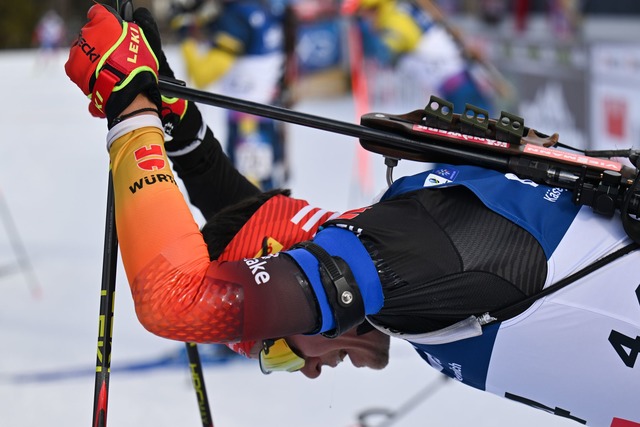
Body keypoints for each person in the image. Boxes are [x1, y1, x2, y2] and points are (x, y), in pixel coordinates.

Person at [64, 5, 640, 427]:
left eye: (280, 352)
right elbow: (249, 211)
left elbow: (175, 300)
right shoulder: (407, 241)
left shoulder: (407, 253)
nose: (308, 371)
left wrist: (130, 111)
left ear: (280, 272)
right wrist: (177, 127)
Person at [169, 0, 295, 190]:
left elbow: (202, 76)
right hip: (265, 114)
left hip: (249, 124)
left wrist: (184, 34)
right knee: (262, 192)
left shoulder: (236, 17)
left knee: (251, 195)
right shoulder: (260, 8)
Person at [343, 0, 496, 114]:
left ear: (374, 8)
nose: (365, 20)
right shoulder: (398, 13)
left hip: (459, 89)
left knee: (470, 144)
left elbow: (384, 54)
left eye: (363, 15)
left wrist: (364, 33)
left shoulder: (396, 22)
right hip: (454, 85)